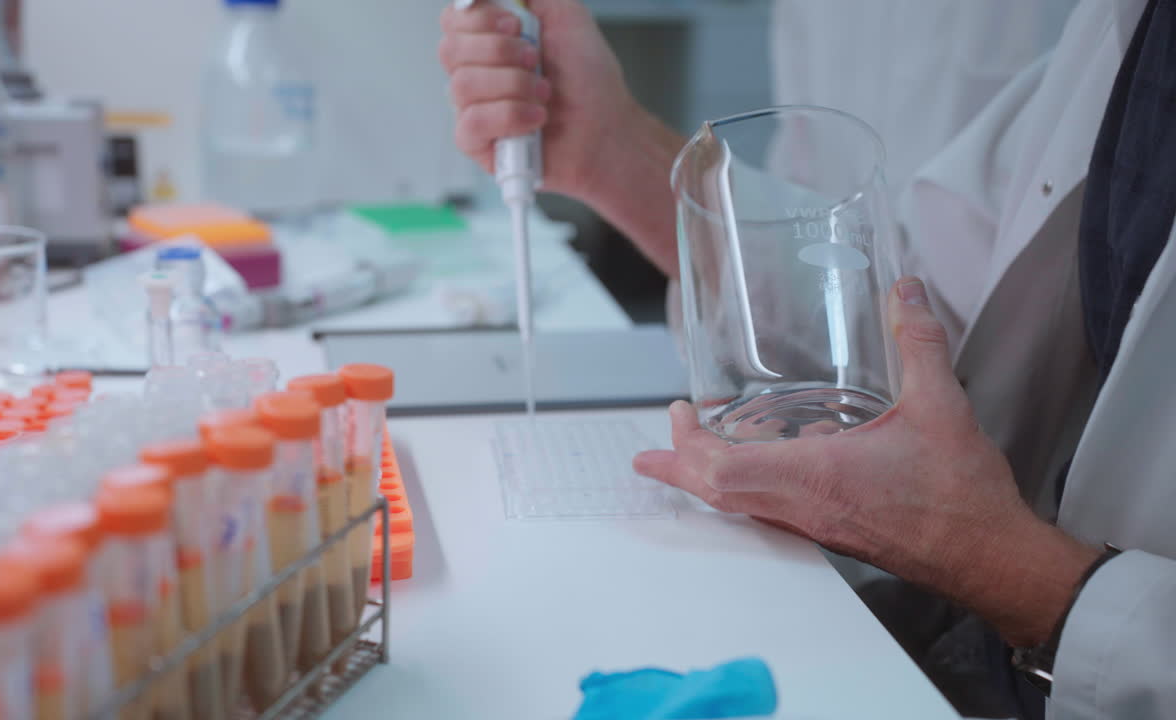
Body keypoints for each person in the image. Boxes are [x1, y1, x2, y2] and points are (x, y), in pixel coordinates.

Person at [442, 1, 1175, 719]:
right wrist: (609, 149)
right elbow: (915, 300)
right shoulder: (1123, 28)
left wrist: (996, 562)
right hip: (959, 641)